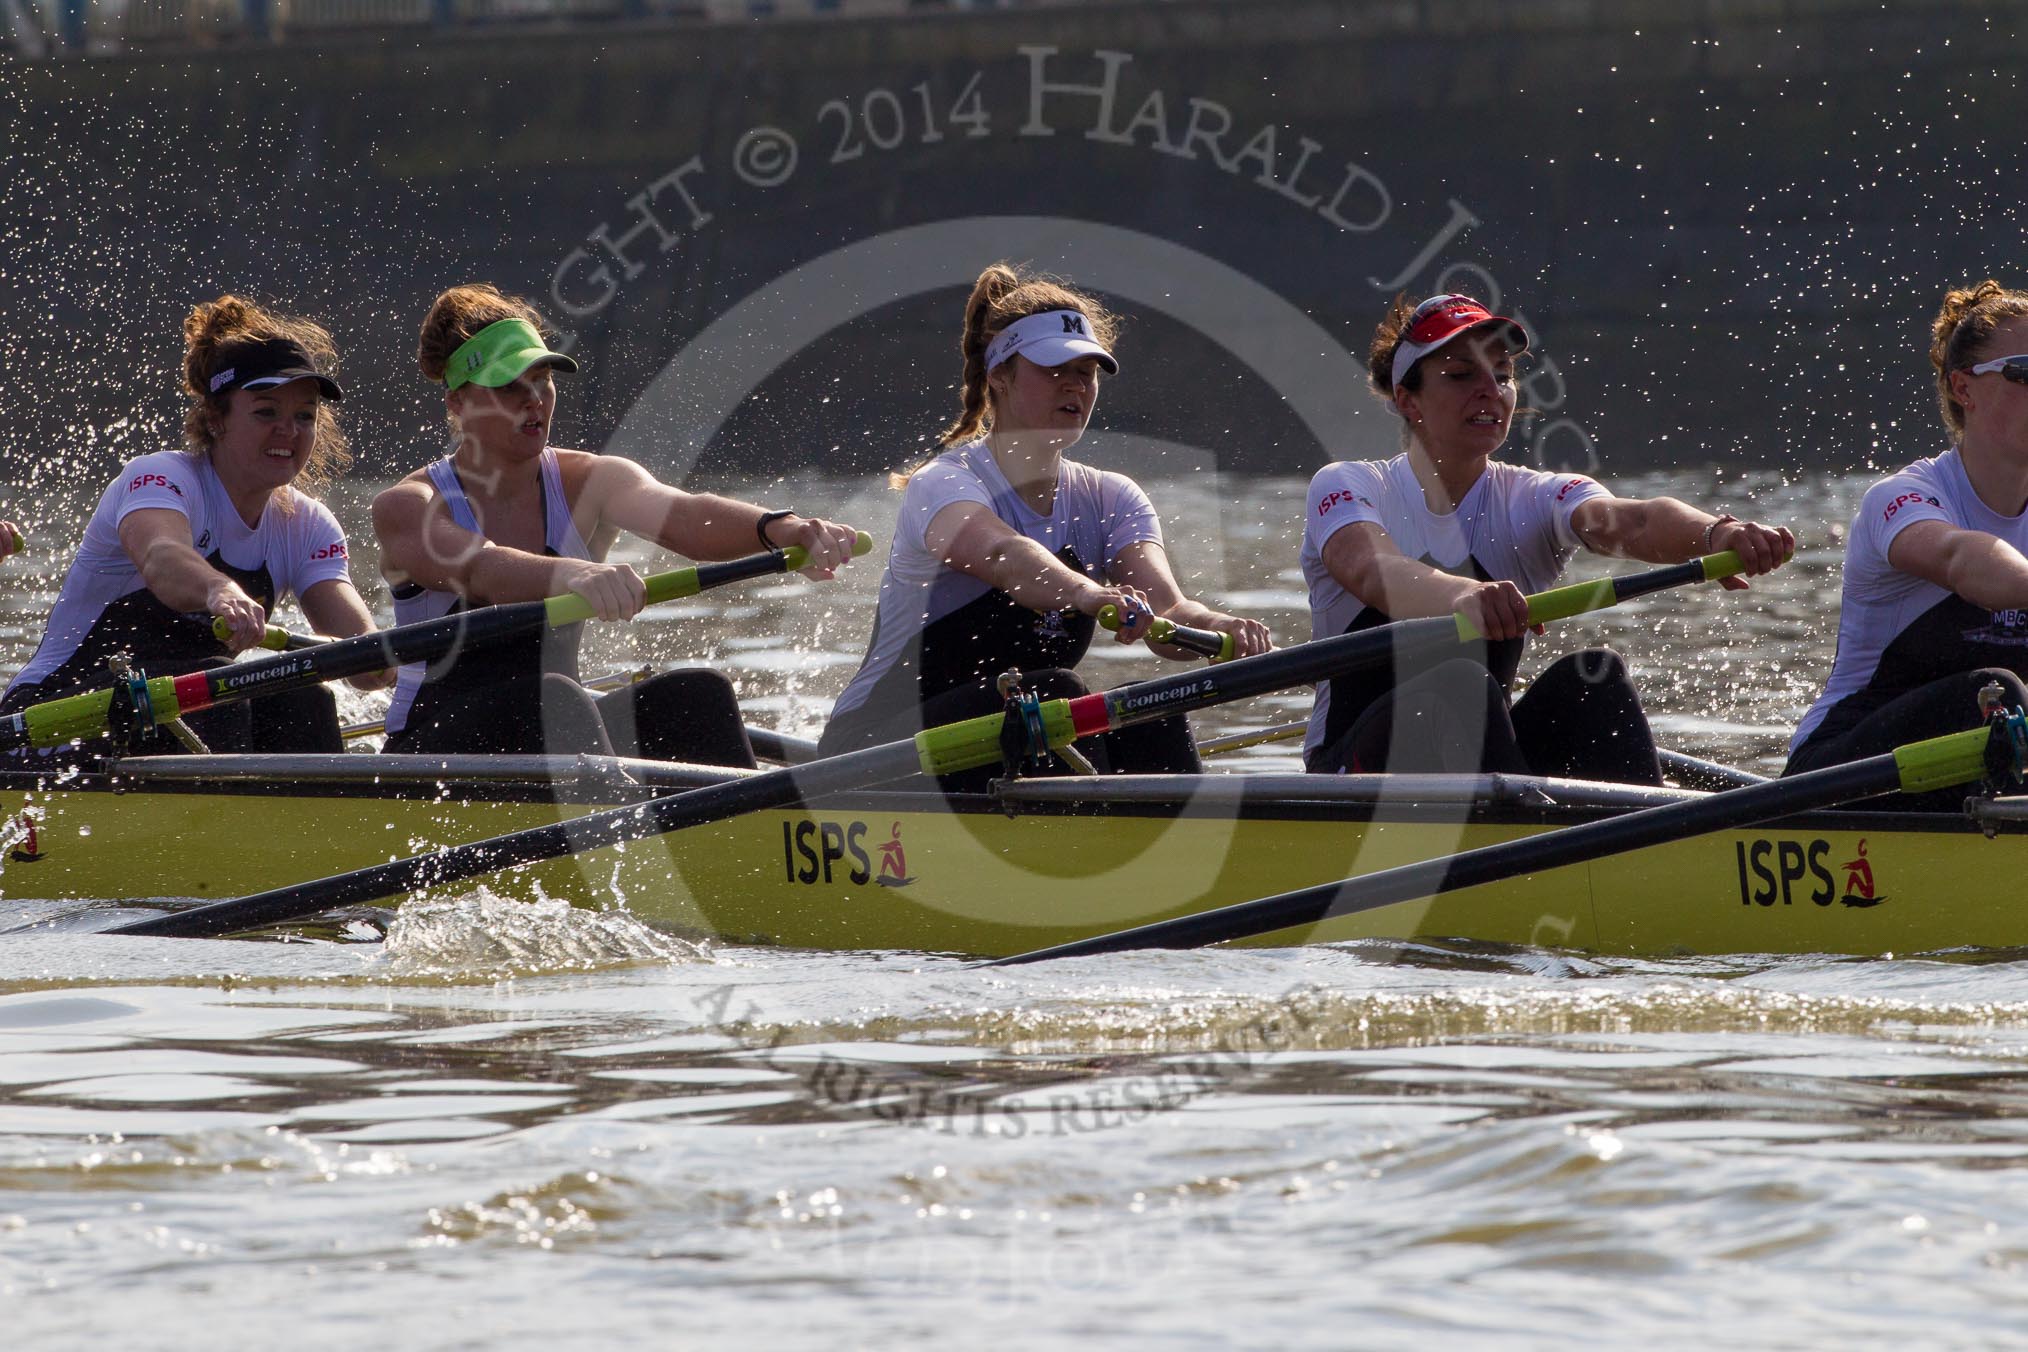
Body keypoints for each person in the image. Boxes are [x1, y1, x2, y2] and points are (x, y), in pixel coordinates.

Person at [1302, 292, 1794, 782]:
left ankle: (1648, 845)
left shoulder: (1533, 497)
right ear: (1408, 400)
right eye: (1461, 375)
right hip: (1350, 772)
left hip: (1477, 762)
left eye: (1502, 374)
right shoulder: (1350, 484)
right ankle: (1525, 837)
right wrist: (1465, 595)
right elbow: (1372, 569)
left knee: (1594, 679)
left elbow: (1633, 521)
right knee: (1461, 684)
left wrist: (1715, 533)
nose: (1490, 390)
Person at [818, 262, 1272, 791]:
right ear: (1000, 377)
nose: (1075, 385)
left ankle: (1189, 851)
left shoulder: (1112, 497)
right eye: (1055, 369)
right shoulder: (943, 483)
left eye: (1087, 371)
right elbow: (1007, 559)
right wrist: (1090, 595)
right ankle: (1094, 847)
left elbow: (1169, 615)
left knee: (1151, 708)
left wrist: (1221, 627)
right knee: (1056, 695)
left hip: (999, 747)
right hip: (871, 755)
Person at [373, 283, 861, 766]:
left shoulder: (592, 481)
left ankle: (750, 833)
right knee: (554, 697)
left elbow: (685, 518)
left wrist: (782, 528)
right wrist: (574, 574)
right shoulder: (408, 505)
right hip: (432, 753)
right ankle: (622, 836)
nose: (534, 401)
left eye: (543, 380)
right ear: (457, 402)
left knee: (697, 695)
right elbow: (478, 568)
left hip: (559, 736)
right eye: (508, 387)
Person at [1, 296, 385, 755]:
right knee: (212, 690)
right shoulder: (160, 478)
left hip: (180, 714)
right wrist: (220, 592)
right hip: (48, 720)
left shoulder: (308, 526)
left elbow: (368, 667)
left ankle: (314, 820)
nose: (289, 430)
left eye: (304, 416)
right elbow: (162, 557)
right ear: (215, 418)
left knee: (303, 696)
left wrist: (396, 654)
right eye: (266, 412)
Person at [1789, 280, 2028, 808]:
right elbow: (1964, 562)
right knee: (1995, 693)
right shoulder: (1904, 498)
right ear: (1963, 388)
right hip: (1837, 776)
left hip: (1964, 782)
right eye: (2024, 373)